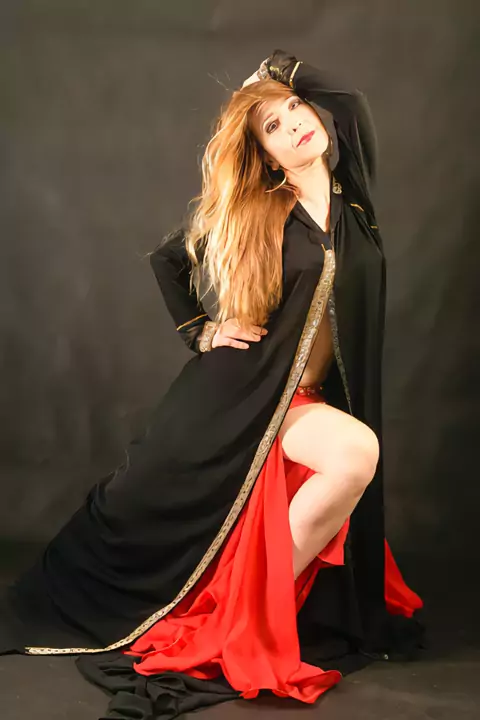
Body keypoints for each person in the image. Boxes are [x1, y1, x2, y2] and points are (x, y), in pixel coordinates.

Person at [0, 50, 424, 718]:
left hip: (305, 401)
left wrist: (279, 71)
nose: (294, 125)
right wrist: (202, 330)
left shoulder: (353, 203)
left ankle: (247, 608)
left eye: (297, 109)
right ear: (267, 156)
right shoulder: (260, 209)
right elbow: (167, 260)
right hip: (243, 396)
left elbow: (349, 101)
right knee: (352, 455)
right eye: (273, 126)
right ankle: (243, 613)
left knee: (352, 457)